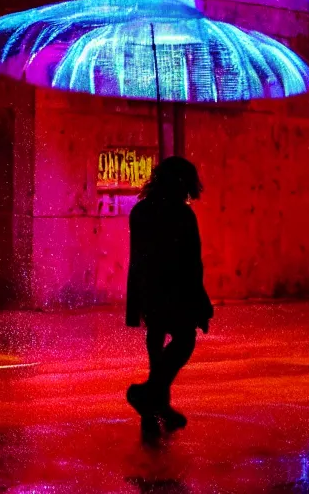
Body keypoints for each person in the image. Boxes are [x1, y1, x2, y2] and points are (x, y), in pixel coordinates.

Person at [125, 156, 213, 439]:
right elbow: (192, 263)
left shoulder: (140, 211)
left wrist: (137, 297)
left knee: (156, 337)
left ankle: (154, 407)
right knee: (184, 340)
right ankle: (151, 396)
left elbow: (137, 258)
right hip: (176, 289)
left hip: (149, 288)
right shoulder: (183, 215)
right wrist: (201, 303)